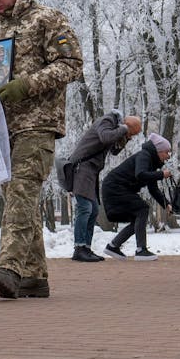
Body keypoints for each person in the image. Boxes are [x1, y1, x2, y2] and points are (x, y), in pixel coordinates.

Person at [0, 0, 83, 300]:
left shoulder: (47, 19)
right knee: (19, 197)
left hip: (38, 122)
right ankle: (35, 276)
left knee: (21, 191)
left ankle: (10, 267)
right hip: (1, 127)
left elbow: (71, 63)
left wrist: (27, 85)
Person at [62, 111, 141, 262]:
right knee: (85, 208)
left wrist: (126, 139)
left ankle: (86, 248)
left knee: (94, 210)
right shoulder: (107, 120)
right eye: (131, 133)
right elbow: (105, 137)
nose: (130, 135)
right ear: (125, 124)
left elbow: (114, 150)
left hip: (91, 171)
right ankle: (79, 248)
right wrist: (124, 130)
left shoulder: (114, 127)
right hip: (82, 168)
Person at [100, 132, 174, 260]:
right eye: (167, 152)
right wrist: (161, 175)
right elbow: (140, 174)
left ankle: (113, 246)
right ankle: (141, 250)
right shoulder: (144, 156)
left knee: (138, 218)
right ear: (159, 150)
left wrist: (166, 204)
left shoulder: (150, 161)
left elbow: (153, 188)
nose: (168, 156)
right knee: (142, 208)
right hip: (115, 188)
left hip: (117, 188)